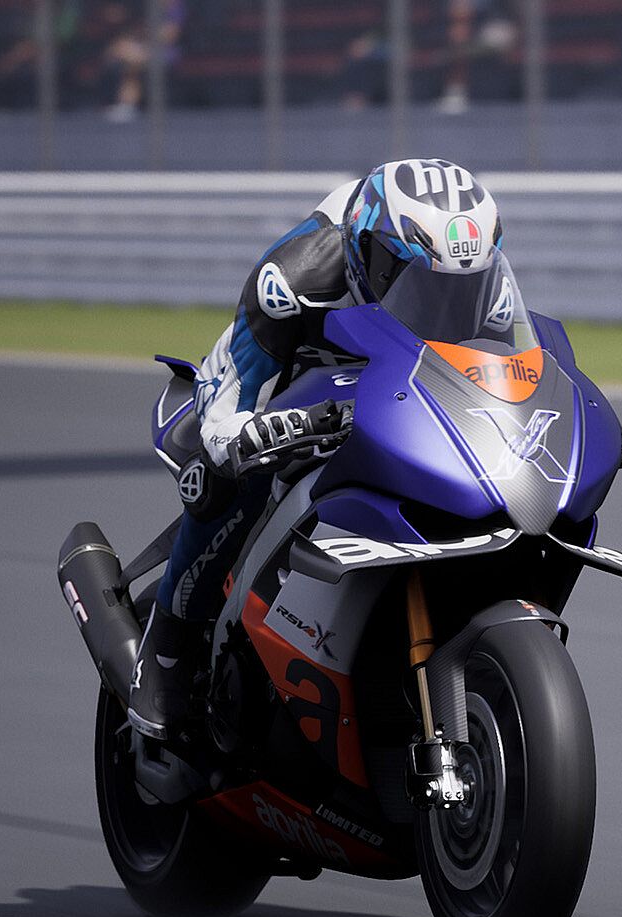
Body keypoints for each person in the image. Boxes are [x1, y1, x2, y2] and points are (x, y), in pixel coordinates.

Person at [128, 159, 507, 744]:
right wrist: (257, 434)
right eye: (418, 284)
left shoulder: (485, 283)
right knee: (225, 474)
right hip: (288, 381)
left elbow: (509, 382)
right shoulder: (293, 277)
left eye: (459, 289)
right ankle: (168, 645)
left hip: (402, 387)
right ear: (368, 254)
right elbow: (225, 417)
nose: (441, 303)